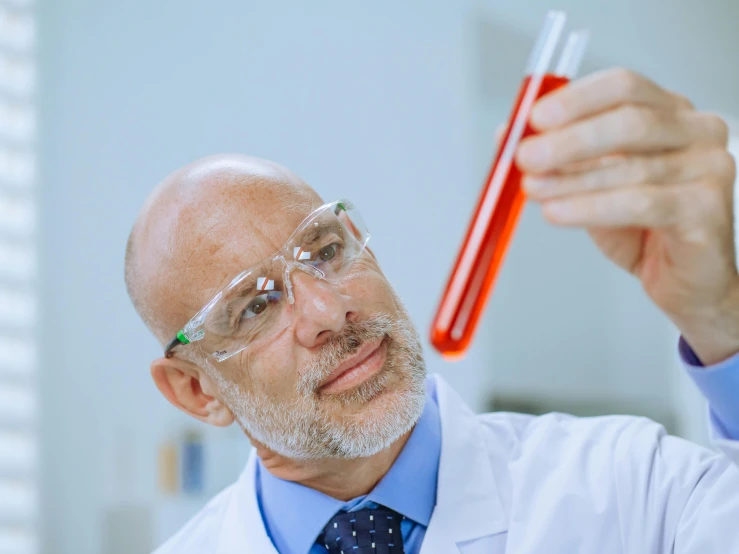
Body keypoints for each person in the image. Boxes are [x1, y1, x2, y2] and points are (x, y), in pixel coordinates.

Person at [124, 68, 739, 554]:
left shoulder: (630, 489)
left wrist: (719, 317)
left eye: (325, 250)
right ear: (195, 389)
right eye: (256, 305)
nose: (329, 310)